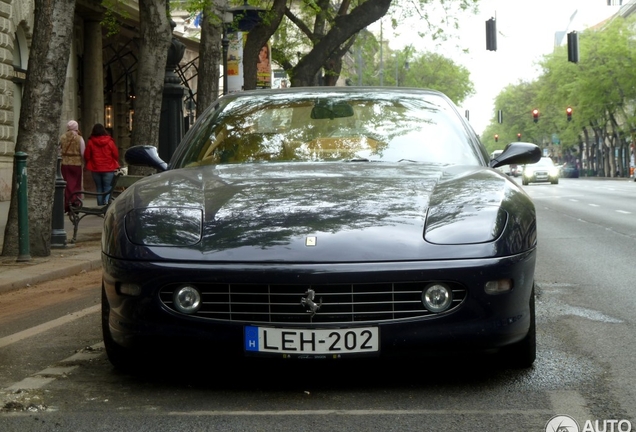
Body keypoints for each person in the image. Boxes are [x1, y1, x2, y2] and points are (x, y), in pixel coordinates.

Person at [84, 123, 119, 205]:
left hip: (95, 168)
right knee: (108, 187)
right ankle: (106, 203)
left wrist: (88, 162)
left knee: (99, 188)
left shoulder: (91, 142)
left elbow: (87, 155)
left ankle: (100, 206)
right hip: (109, 168)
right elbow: (116, 154)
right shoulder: (110, 142)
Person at [59, 120, 85, 213]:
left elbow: (59, 149)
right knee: (76, 184)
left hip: (65, 163)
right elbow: (82, 152)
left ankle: (67, 203)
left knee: (66, 184)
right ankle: (75, 202)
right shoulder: (79, 138)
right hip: (76, 164)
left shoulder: (62, 137)